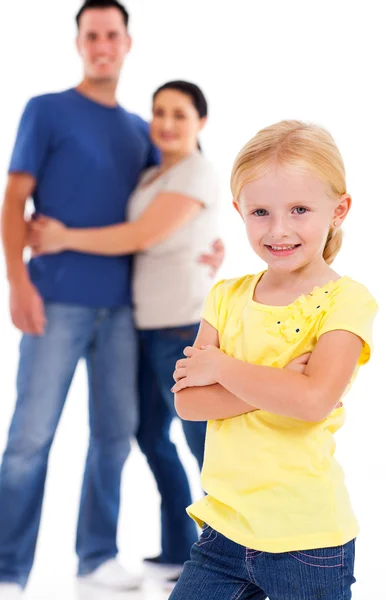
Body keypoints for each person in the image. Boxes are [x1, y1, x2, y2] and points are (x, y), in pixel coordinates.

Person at [0, 2, 223, 597]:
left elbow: (165, 214)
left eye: (112, 34)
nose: (102, 44)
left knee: (112, 435)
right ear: (79, 42)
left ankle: (95, 556)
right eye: (91, 34)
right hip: (56, 301)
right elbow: (14, 198)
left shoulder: (140, 133)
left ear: (127, 43)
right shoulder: (45, 110)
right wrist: (17, 282)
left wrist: (215, 246)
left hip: (126, 311)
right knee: (30, 437)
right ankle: (7, 569)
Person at [168, 120, 378, 600]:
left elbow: (311, 401)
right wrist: (278, 383)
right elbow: (189, 405)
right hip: (224, 528)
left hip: (307, 539)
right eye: (261, 211)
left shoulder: (346, 301)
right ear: (239, 210)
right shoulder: (225, 296)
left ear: (338, 210)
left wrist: (221, 369)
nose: (278, 229)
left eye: (300, 209)